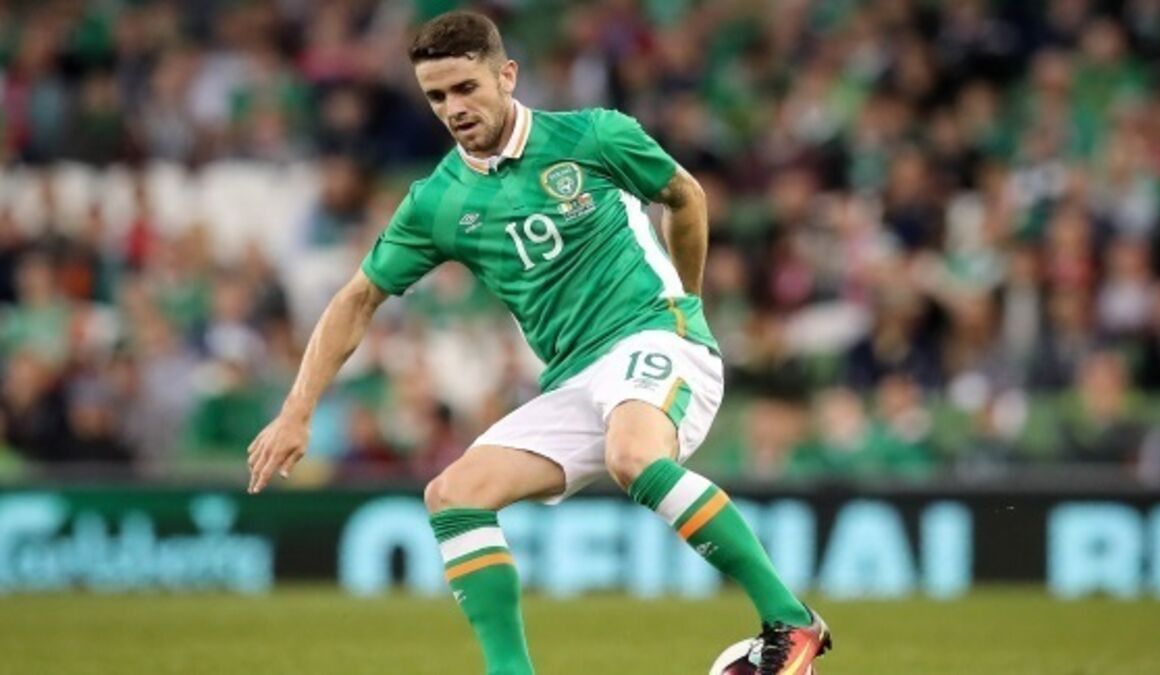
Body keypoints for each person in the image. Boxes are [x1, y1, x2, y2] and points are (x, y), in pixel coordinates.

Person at [245, 11, 830, 675]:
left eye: (466, 88)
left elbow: (684, 197)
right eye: (437, 96)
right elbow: (356, 299)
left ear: (507, 75)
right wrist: (296, 410)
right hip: (575, 379)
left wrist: (685, 305)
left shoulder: (594, 135)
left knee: (634, 456)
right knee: (453, 494)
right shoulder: (438, 202)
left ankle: (789, 618)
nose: (453, 108)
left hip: (652, 332)